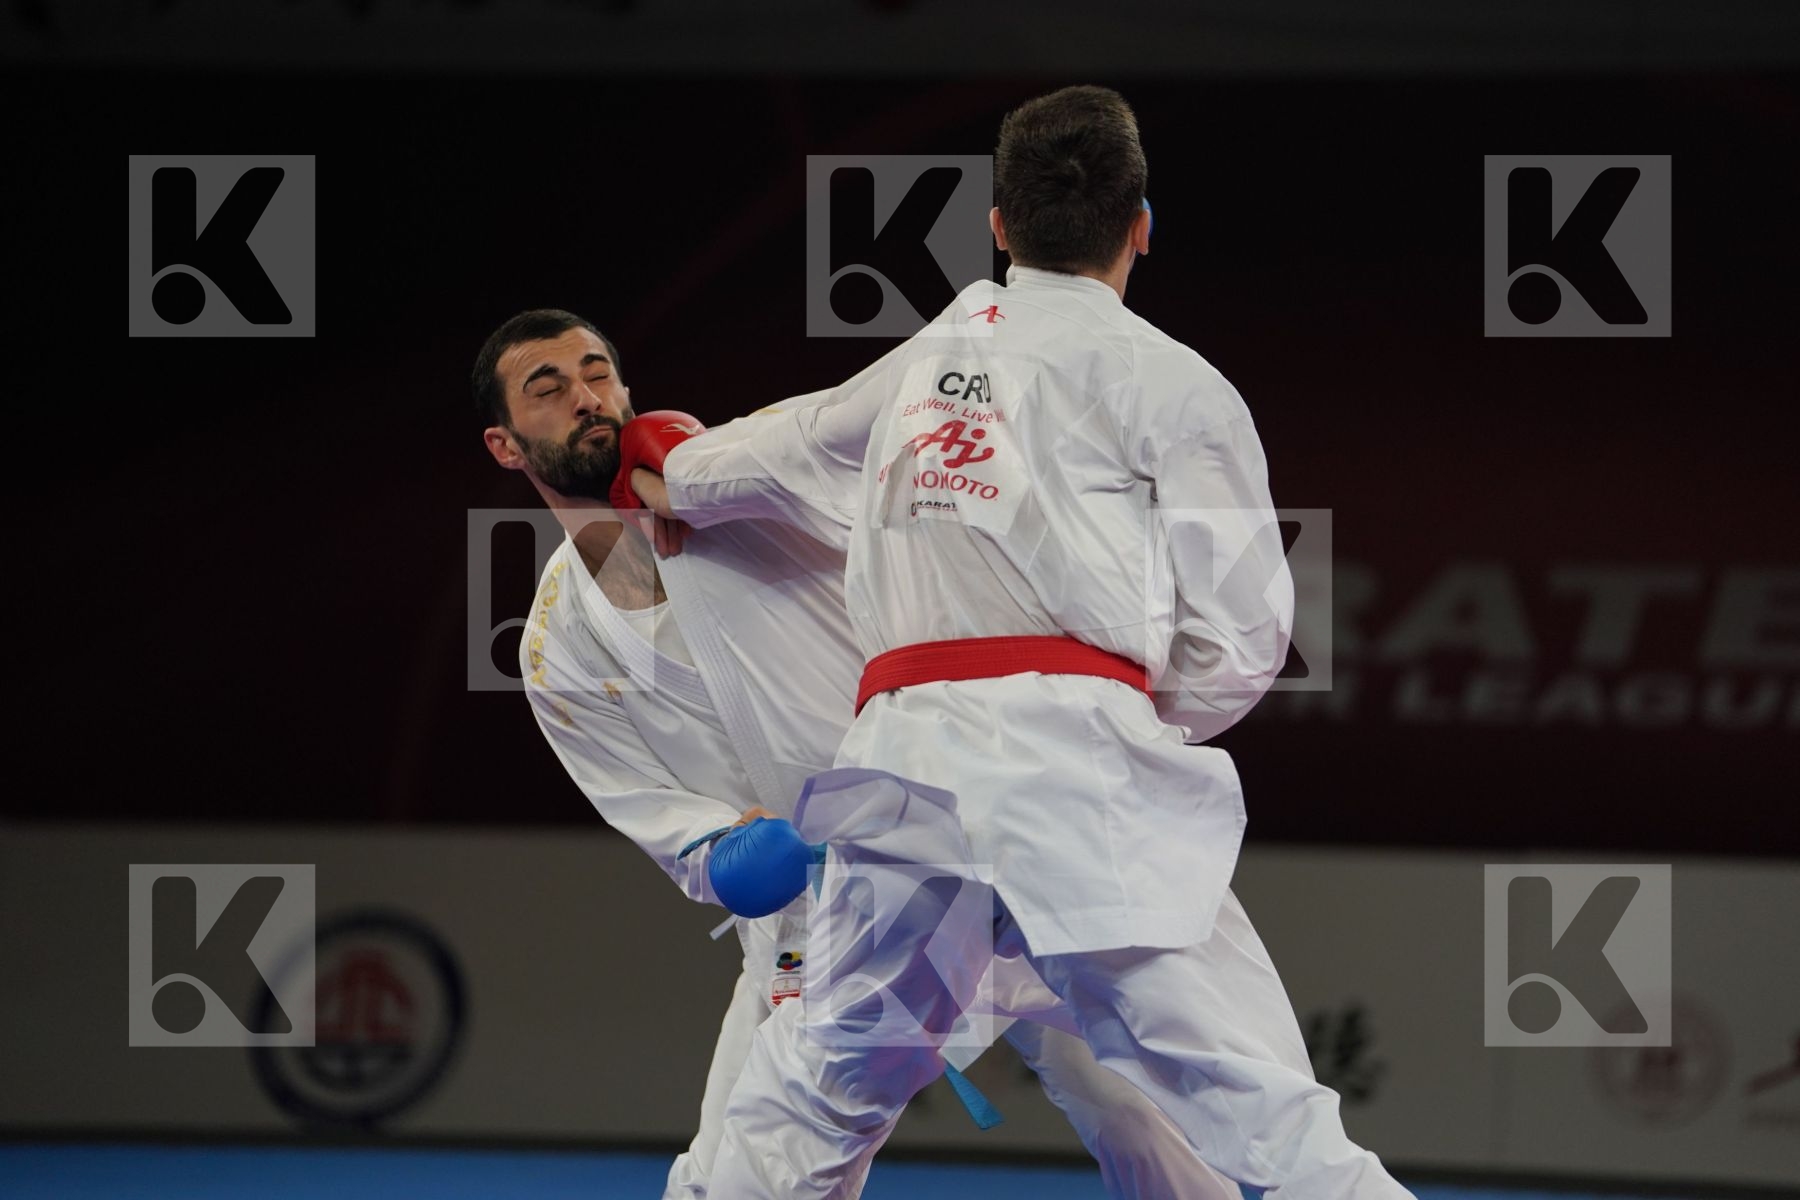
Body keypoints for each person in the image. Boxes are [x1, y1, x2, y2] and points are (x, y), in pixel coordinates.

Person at [623, 86, 1416, 1198]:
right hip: (1075, 769)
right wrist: (1120, 709)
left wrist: (660, 459)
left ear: (999, 226)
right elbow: (1244, 636)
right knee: (1258, 1103)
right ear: (1142, 226)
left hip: (900, 770)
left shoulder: (923, 362)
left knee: (816, 1090)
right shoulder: (1177, 384)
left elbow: (778, 446)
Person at [472, 307, 1244, 1198]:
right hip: (835, 919)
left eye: (597, 372)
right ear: (505, 444)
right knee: (741, 1179)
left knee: (1144, 1121)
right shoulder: (558, 645)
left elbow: (866, 437)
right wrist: (723, 854)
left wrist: (704, 472)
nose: (585, 397)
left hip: (995, 842)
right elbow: (655, 811)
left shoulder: (743, 482)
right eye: (549, 388)